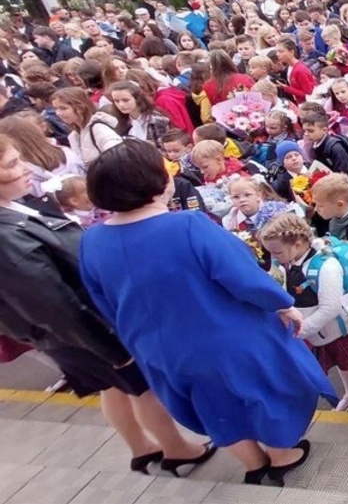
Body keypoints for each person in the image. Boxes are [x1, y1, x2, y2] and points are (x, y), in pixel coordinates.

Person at [77, 140, 334, 485]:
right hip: (227, 336)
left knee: (215, 407)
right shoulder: (188, 225)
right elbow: (241, 275)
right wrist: (283, 303)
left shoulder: (92, 240)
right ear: (154, 182)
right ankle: (281, 455)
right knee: (264, 394)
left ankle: (253, 464)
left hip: (159, 348)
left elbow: (103, 301)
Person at [0, 133, 216, 479]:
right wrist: (114, 350)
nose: (26, 167)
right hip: (85, 330)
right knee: (142, 387)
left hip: (74, 331)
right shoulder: (5, 236)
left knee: (113, 387)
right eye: (11, 164)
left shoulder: (13, 207)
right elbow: (53, 305)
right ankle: (177, 449)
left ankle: (142, 448)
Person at [258, 213, 348, 414]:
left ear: (297, 243)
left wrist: (301, 330)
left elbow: (330, 308)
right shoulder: (291, 262)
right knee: (342, 364)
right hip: (318, 331)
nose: (275, 257)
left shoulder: (326, 266)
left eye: (278, 252)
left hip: (334, 329)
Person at [51, 87, 122, 167]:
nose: (58, 113)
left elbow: (119, 156)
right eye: (56, 109)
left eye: (63, 108)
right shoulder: (74, 136)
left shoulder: (99, 129)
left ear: (80, 108)